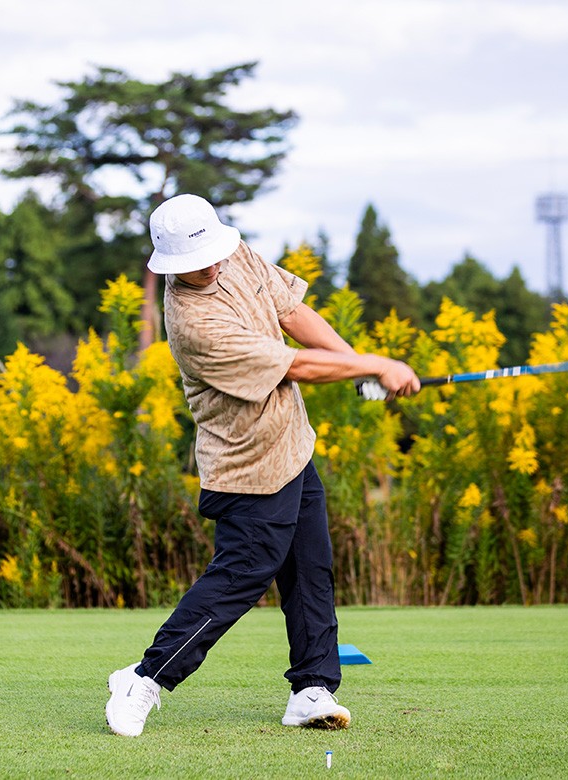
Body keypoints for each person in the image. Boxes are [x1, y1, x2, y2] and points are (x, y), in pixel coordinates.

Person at [104, 194, 421, 737]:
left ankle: (312, 689)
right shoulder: (194, 323)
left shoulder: (233, 253)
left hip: (293, 444)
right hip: (247, 466)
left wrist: (356, 366)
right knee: (239, 578)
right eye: (195, 263)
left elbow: (292, 314)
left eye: (212, 253)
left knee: (310, 570)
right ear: (172, 266)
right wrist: (373, 365)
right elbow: (293, 366)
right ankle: (144, 678)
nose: (212, 266)